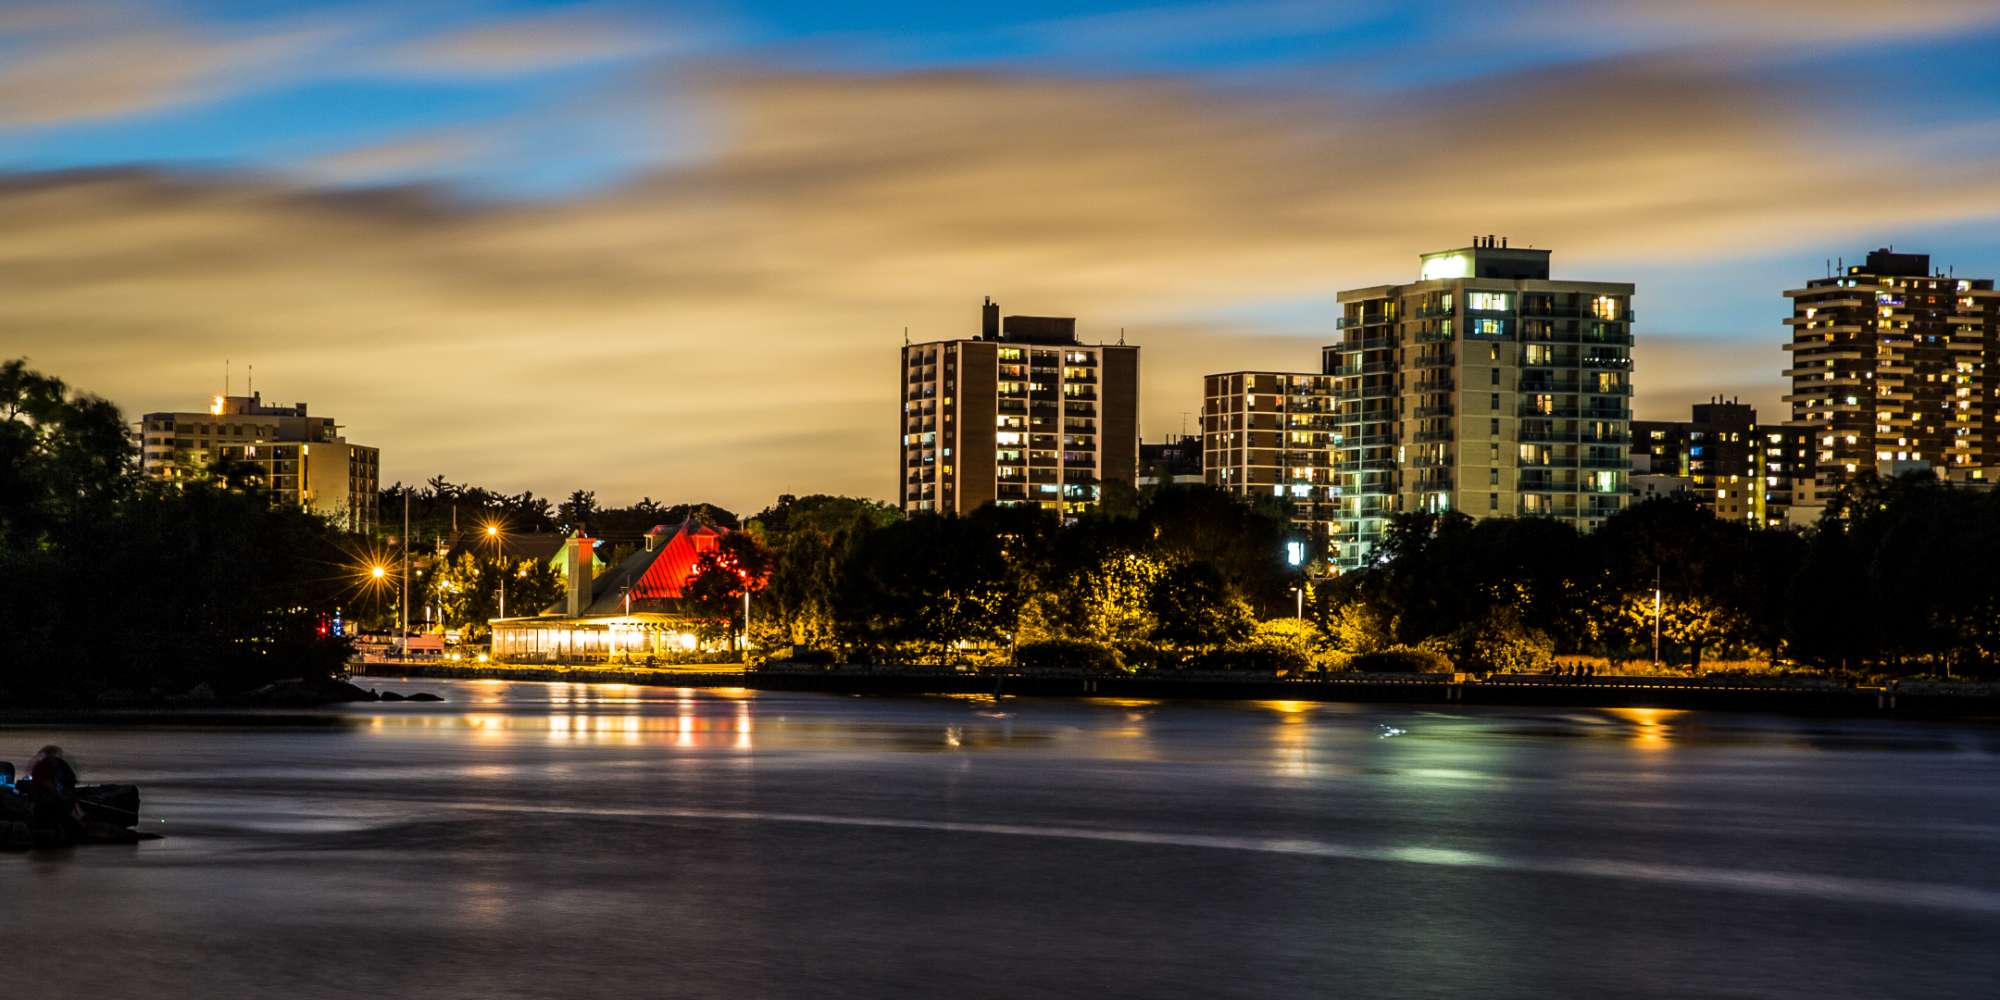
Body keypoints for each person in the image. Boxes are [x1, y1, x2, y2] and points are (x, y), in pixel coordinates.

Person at [22, 746, 83, 842]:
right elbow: (45, 783)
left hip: (54, 797)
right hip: (47, 798)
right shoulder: (43, 766)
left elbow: (69, 780)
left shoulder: (58, 765)